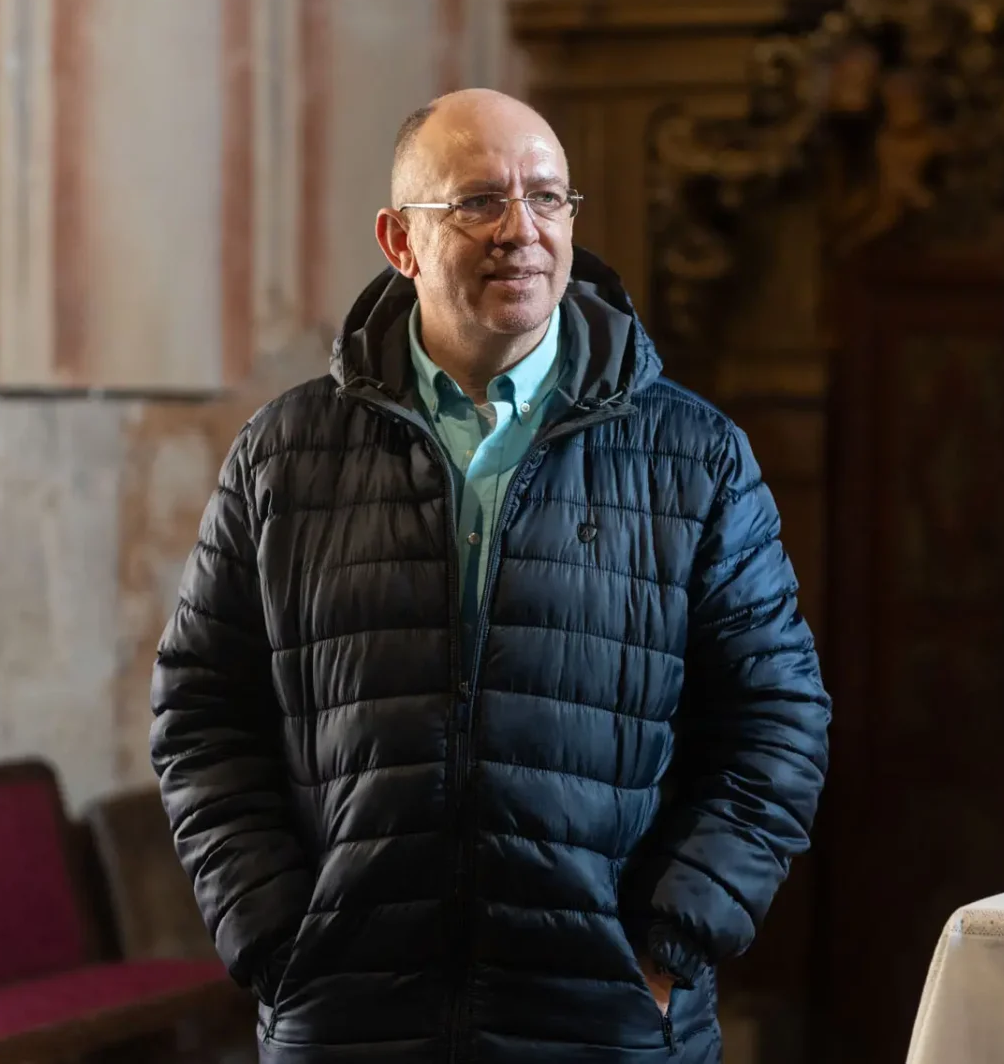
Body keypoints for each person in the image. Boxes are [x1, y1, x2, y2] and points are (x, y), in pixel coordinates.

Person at [151, 88, 831, 1062]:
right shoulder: (286, 454)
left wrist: (670, 949)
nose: (522, 230)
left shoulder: (694, 456)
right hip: (352, 1018)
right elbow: (202, 709)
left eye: (547, 198)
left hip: (605, 1019)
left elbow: (779, 719)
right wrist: (271, 935)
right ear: (400, 241)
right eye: (478, 201)